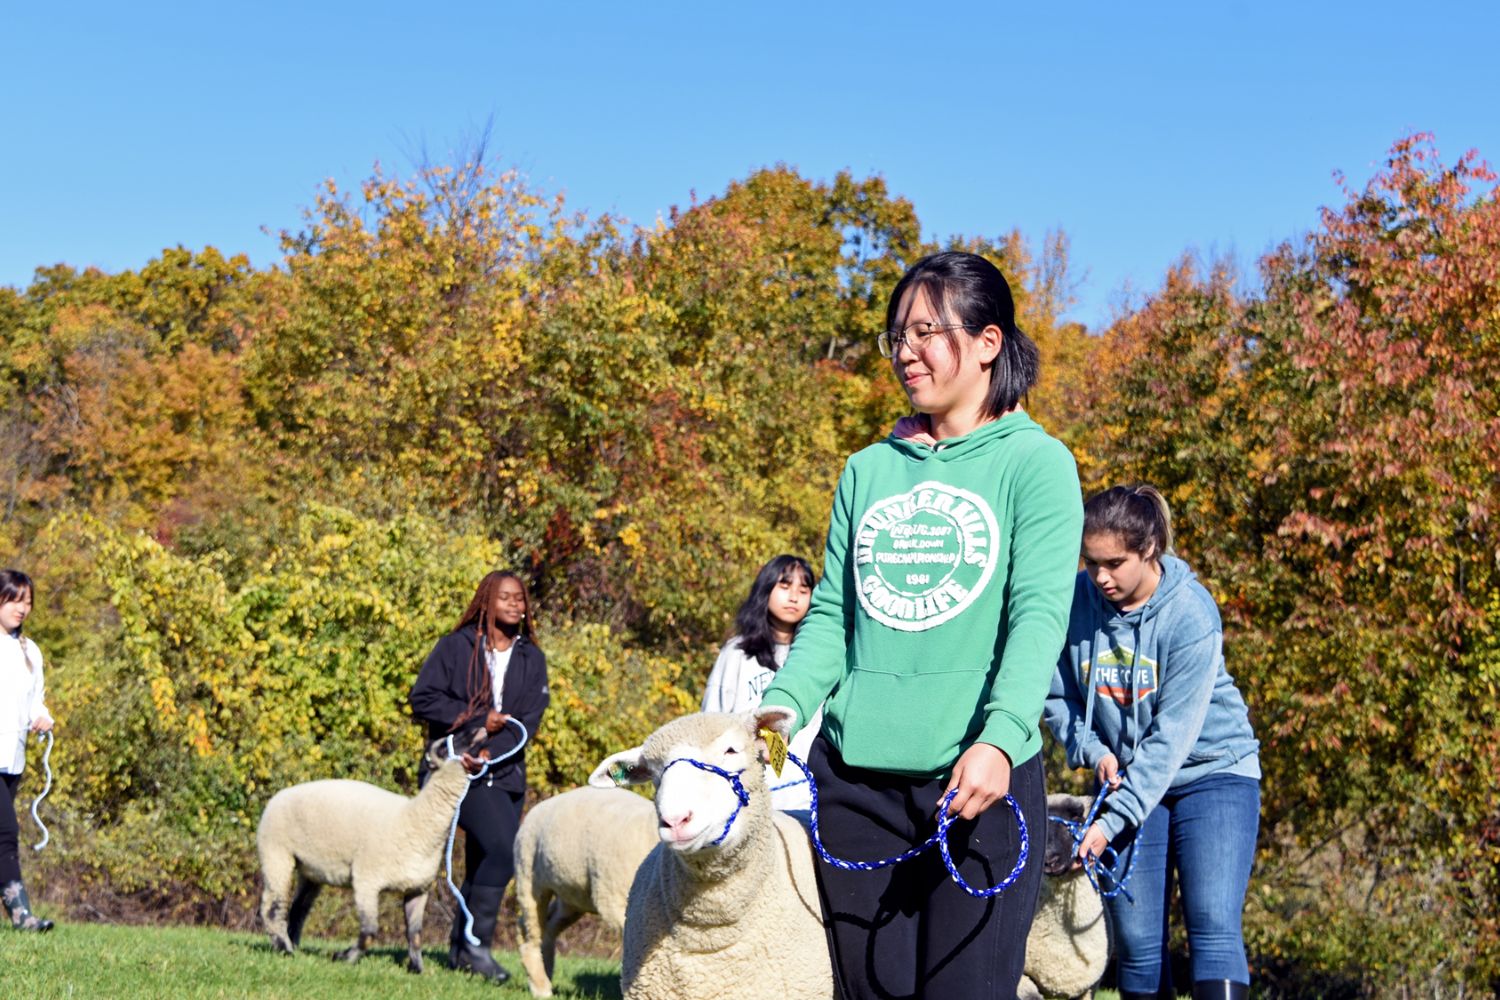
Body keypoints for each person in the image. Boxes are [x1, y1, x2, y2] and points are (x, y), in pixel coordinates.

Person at [756, 251, 1084, 1000]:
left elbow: (1039, 616)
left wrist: (1000, 740)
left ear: (988, 342)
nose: (906, 351)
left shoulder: (1036, 463)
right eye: (897, 335)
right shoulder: (868, 469)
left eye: (927, 332)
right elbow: (834, 615)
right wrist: (778, 714)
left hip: (978, 788)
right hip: (856, 790)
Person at [1043, 485, 1261, 1000]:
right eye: (1091, 562)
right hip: (1130, 782)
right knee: (1138, 943)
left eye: (1115, 563)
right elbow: (1054, 695)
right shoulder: (1078, 600)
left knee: (1211, 922)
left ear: (1149, 550)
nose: (1101, 577)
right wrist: (1093, 751)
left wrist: (1109, 822)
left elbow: (1171, 740)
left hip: (1213, 772)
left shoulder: (1190, 613)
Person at [409, 570, 549, 984]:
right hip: (454, 770)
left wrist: (492, 751)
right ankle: (476, 949)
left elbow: (528, 722)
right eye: (505, 597)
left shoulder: (531, 659)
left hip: (506, 773)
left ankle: (460, 950)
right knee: (505, 849)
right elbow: (423, 699)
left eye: (520, 599)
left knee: (486, 859)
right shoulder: (456, 647)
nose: (514, 605)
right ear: (486, 601)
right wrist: (474, 724)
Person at [701, 554, 820, 813]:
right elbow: (711, 721)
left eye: (804, 589)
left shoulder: (820, 658)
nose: (794, 597)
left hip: (806, 799)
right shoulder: (737, 653)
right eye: (785, 586)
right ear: (765, 590)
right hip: (748, 799)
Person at [0, 569, 55, 933]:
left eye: (28, 602)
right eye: (16, 600)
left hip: (12, 758)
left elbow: (36, 701)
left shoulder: (30, 651)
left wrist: (42, 718)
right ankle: (22, 915)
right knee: (6, 832)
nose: (23, 609)